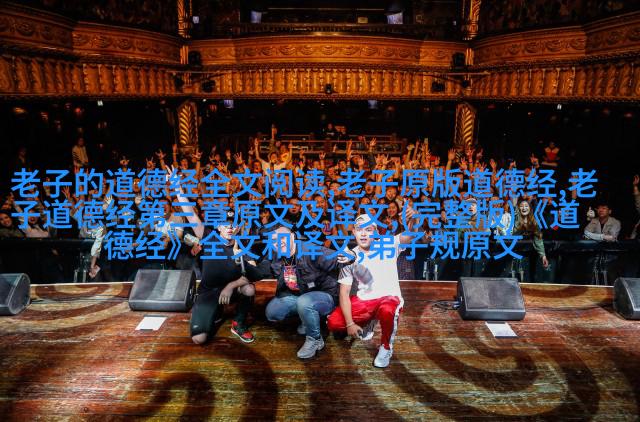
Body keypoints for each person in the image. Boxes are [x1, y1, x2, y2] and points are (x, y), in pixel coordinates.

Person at [327, 211, 419, 368]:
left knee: (388, 310)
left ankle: (386, 347)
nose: (363, 233)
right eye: (359, 229)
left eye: (368, 229)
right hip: (365, 301)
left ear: (375, 232)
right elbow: (344, 292)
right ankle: (369, 322)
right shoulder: (350, 256)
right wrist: (349, 324)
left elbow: (411, 234)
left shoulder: (388, 244)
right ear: (354, 232)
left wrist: (415, 218)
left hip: (388, 298)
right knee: (333, 323)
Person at [265, 226, 351, 359]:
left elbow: (338, 259)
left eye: (282, 238)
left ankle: (315, 339)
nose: (279, 242)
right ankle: (307, 319)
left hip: (324, 296)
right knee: (273, 311)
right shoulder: (276, 255)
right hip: (300, 295)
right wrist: (243, 268)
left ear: (292, 236)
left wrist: (350, 255)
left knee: (305, 302)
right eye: (274, 241)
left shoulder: (310, 250)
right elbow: (260, 270)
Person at [190, 211, 270, 345]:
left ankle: (238, 323)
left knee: (249, 289)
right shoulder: (209, 238)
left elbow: (255, 273)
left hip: (232, 291)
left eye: (233, 224)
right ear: (218, 227)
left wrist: (238, 266)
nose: (230, 228)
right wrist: (180, 196)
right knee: (199, 339)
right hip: (209, 292)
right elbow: (192, 216)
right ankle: (216, 311)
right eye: (225, 224)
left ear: (238, 228)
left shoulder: (243, 245)